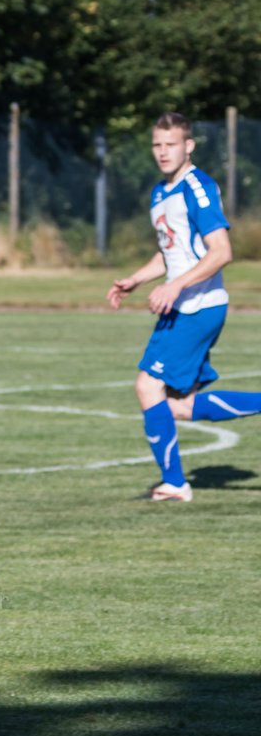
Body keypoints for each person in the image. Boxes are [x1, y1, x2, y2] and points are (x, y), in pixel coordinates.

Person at [107, 112, 261, 502]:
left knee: (147, 386)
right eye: (157, 145)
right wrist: (137, 279)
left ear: (188, 146)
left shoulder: (198, 187)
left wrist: (174, 287)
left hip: (199, 306)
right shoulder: (161, 191)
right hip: (183, 306)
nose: (162, 152)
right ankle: (173, 482)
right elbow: (171, 252)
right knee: (174, 405)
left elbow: (221, 251)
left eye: (170, 144)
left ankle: (175, 483)